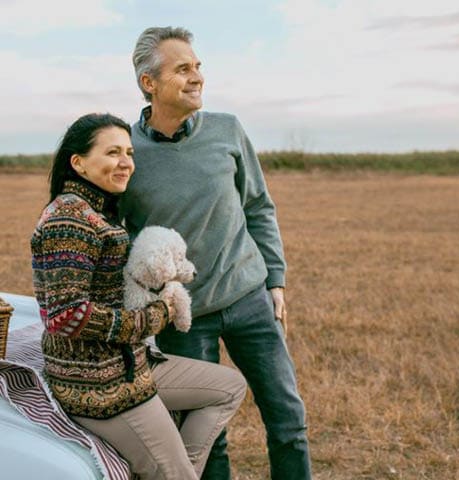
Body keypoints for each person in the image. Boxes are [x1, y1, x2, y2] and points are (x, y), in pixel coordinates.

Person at [119, 27, 312, 479]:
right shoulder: (128, 151)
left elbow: (259, 206)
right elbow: (121, 235)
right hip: (184, 318)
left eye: (198, 66)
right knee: (206, 437)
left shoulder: (228, 130)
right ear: (150, 83)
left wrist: (276, 281)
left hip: (250, 301)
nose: (197, 77)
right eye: (183, 69)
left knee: (288, 420)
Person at [31, 113, 247, 480]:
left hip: (129, 367)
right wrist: (155, 316)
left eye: (129, 152)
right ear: (78, 162)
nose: (126, 162)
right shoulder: (68, 219)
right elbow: (66, 315)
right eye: (112, 152)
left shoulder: (95, 210)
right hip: (99, 386)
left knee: (228, 387)